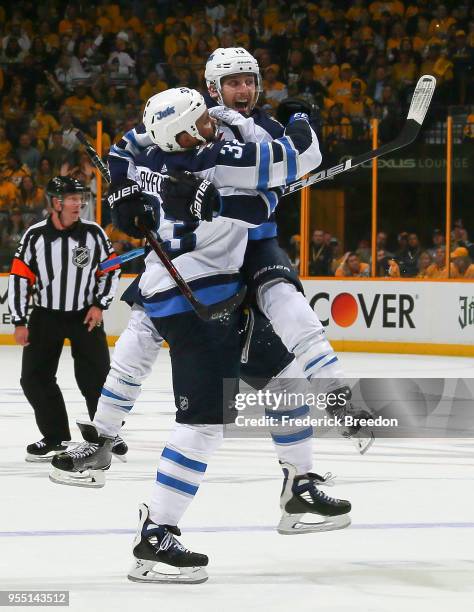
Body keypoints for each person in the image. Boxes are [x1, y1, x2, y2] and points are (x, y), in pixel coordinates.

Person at [52, 87, 351, 583]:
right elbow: (290, 165)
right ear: (187, 135)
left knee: (281, 378)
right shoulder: (216, 161)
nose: (214, 124)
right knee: (205, 421)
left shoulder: (153, 147)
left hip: (187, 287)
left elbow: (127, 146)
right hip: (200, 303)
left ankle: (300, 485)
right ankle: (155, 537)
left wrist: (123, 190)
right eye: (203, 123)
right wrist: (298, 125)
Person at [7, 176, 124, 462]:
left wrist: (99, 305)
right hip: (45, 315)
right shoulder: (35, 236)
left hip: (85, 315)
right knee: (34, 378)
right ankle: (55, 437)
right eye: (72, 198)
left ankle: (108, 433)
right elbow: (20, 278)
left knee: (96, 376)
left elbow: (111, 269)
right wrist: (20, 320)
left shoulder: (94, 233)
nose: (79, 203)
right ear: (56, 202)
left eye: (80, 198)